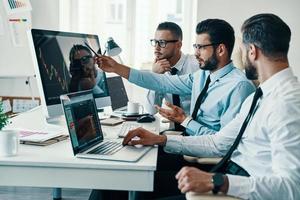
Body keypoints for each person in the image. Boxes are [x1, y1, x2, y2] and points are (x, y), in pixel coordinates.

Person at [120, 13, 300, 199]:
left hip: (240, 186)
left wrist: (217, 181)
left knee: (140, 188)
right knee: (128, 182)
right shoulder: (262, 95)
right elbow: (219, 142)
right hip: (229, 173)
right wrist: (160, 140)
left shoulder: (287, 104)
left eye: (243, 50)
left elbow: (292, 187)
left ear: (252, 51)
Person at [97, 19, 255, 136]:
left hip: (204, 160)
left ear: (220, 50)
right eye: (195, 46)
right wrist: (116, 68)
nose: (196, 53)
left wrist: (184, 121)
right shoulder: (202, 76)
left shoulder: (239, 86)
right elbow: (162, 82)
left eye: (201, 47)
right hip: (190, 140)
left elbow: (223, 143)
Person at [146, 22, 199, 131]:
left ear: (178, 45)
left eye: (162, 42)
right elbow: (151, 111)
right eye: (155, 42)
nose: (156, 48)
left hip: (198, 131)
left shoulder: (197, 66)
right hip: (174, 132)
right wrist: (154, 76)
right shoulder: (158, 69)